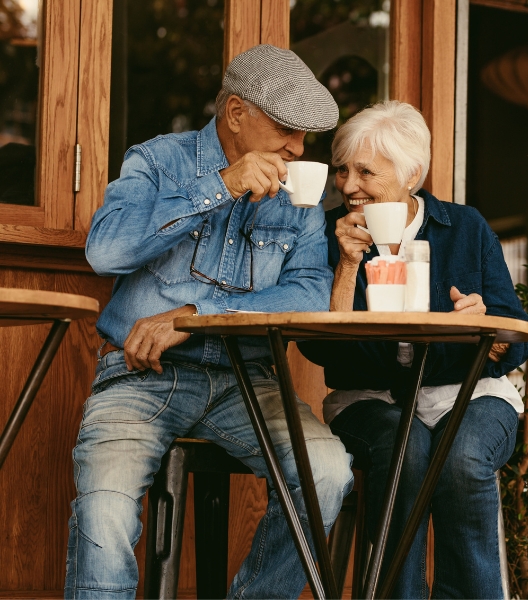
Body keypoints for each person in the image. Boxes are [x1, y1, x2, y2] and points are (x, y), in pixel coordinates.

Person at [65, 45, 353, 599]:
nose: (298, 148)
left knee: (328, 473)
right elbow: (105, 251)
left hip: (249, 383)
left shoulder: (299, 193)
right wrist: (222, 184)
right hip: (141, 378)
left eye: (304, 136)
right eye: (287, 130)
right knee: (105, 510)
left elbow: (312, 291)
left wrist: (198, 316)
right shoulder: (158, 160)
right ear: (236, 113)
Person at [299, 100, 528, 599]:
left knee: (463, 459)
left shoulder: (465, 228)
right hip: (371, 400)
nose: (348, 185)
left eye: (365, 171)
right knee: (404, 453)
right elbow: (321, 349)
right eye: (342, 170)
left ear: (411, 174)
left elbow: (514, 333)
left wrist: (484, 326)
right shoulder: (326, 233)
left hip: (468, 395)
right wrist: (346, 266)